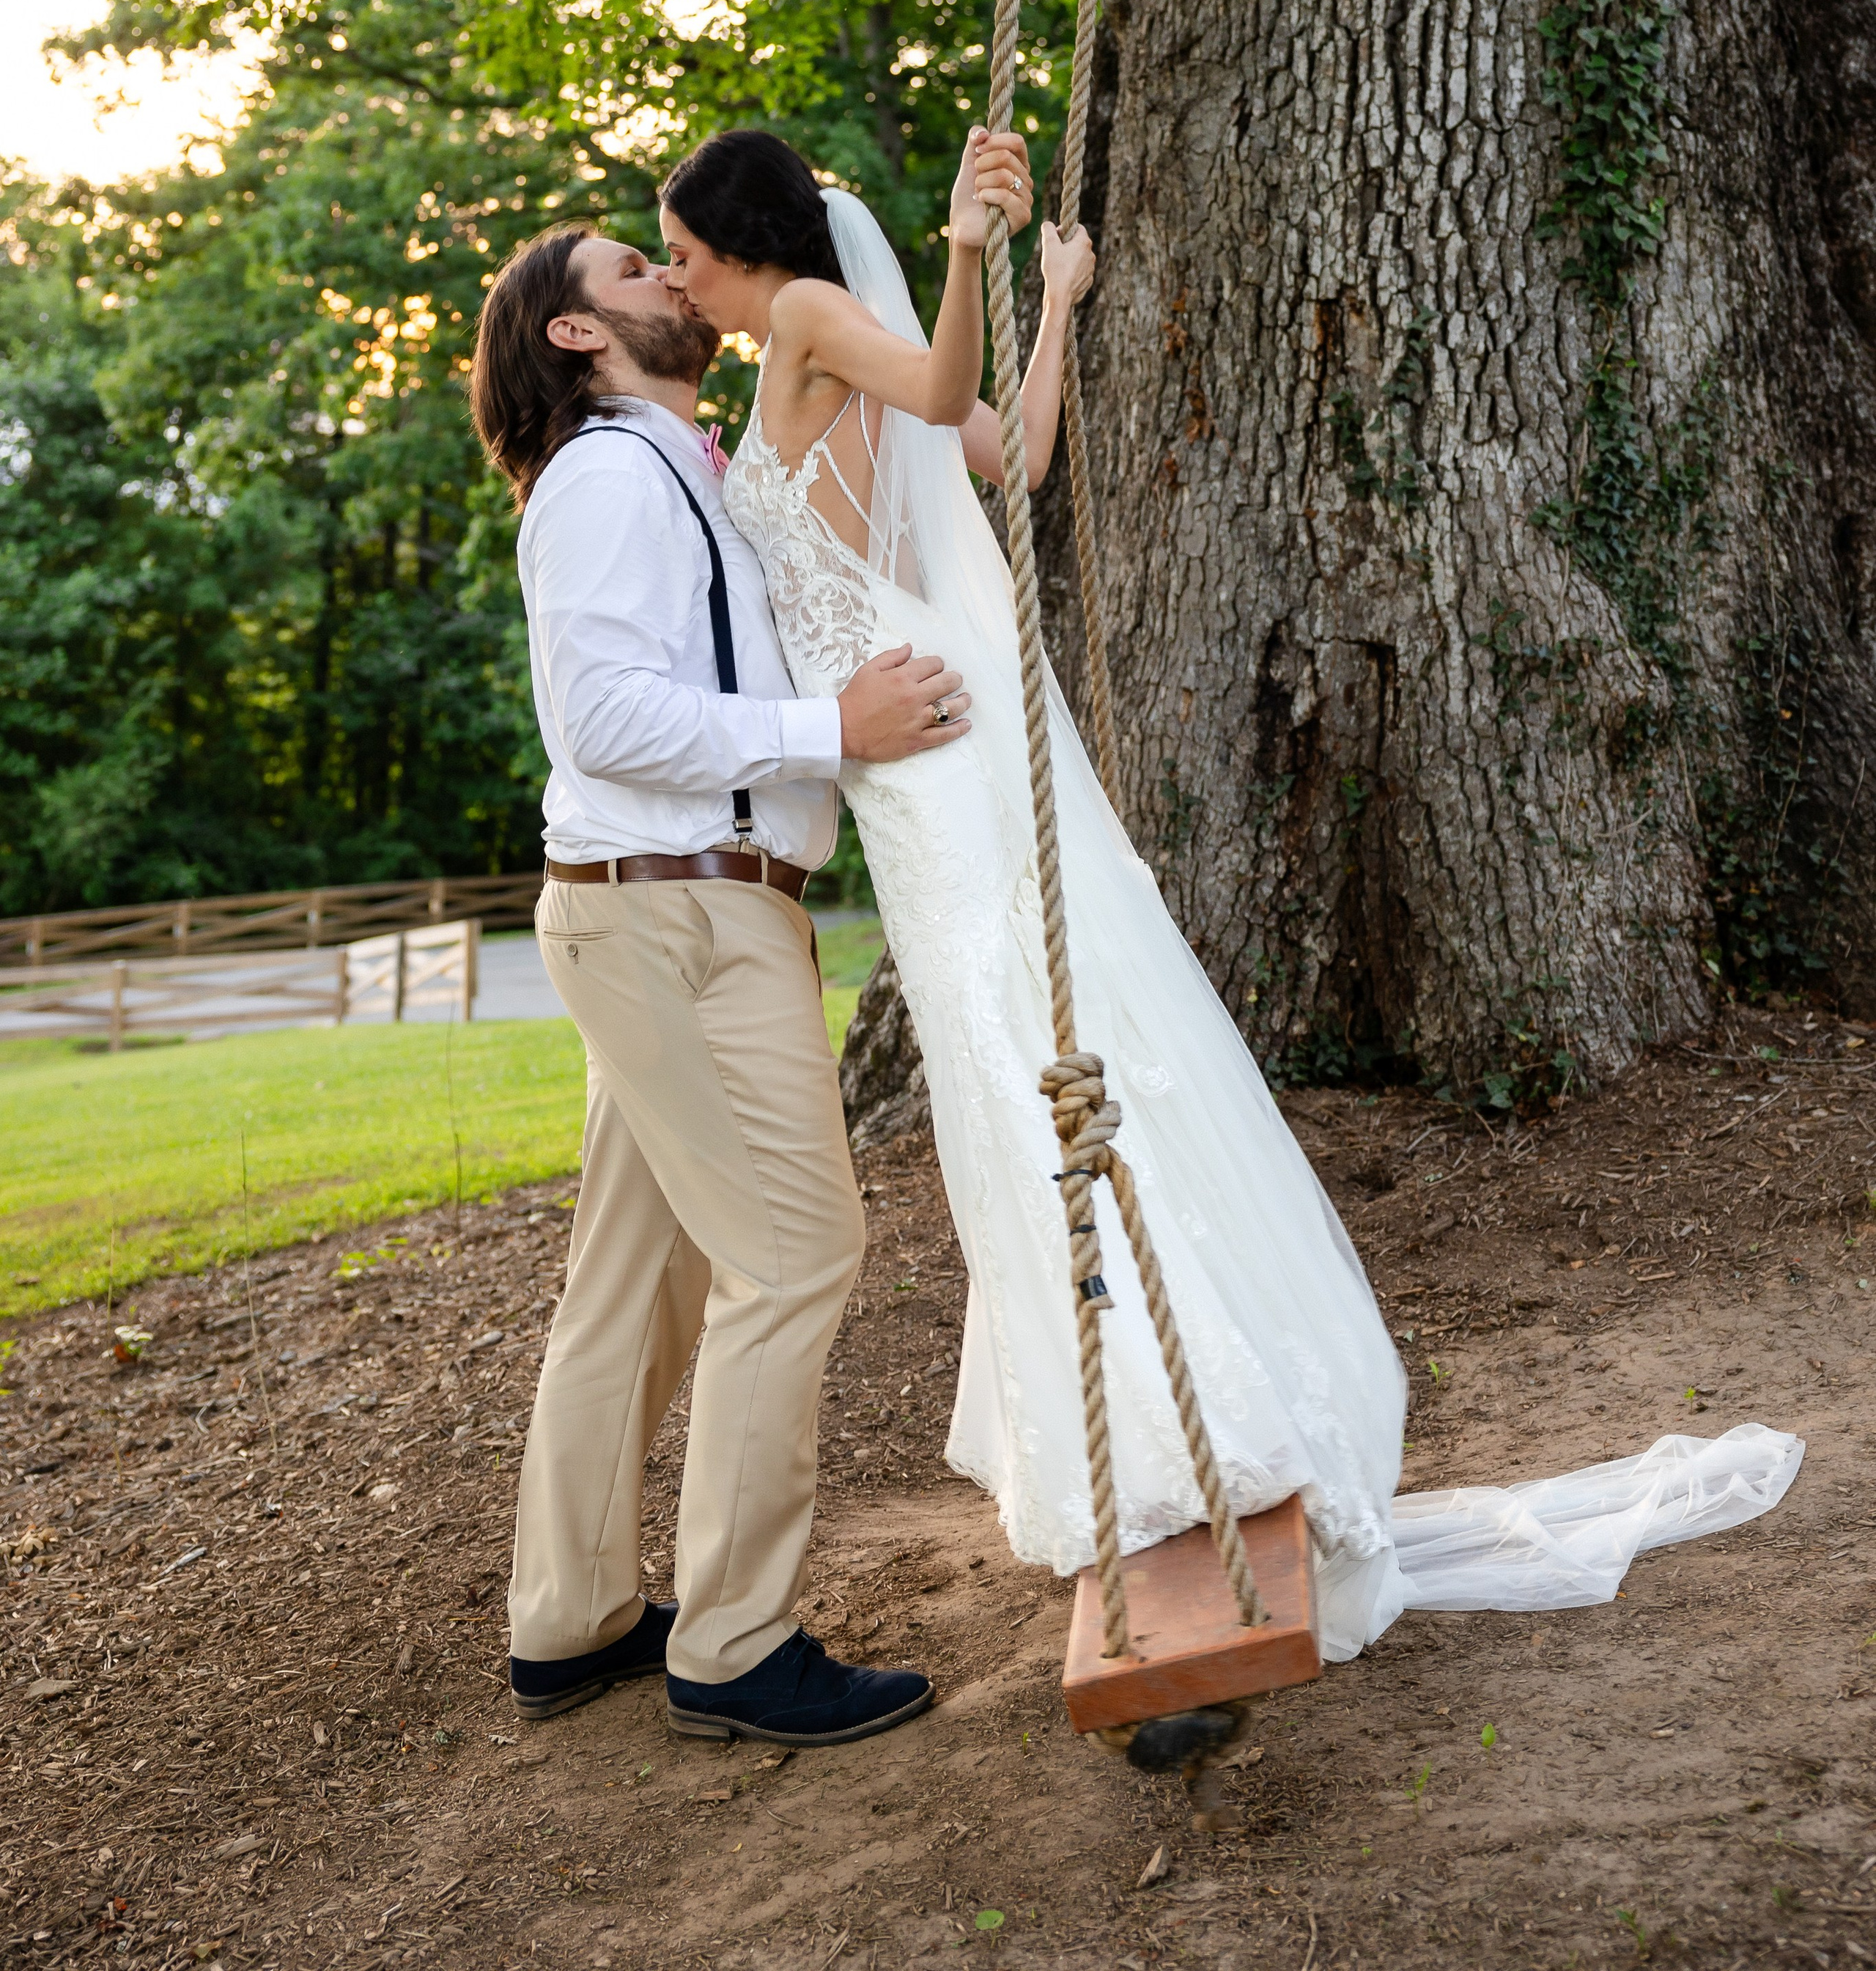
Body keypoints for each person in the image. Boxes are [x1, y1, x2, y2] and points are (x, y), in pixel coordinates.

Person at [660, 125, 1802, 1659]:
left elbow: (940, 399)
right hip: (917, 753)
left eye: (683, 250)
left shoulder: (808, 318)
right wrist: (1060, 306)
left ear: (745, 248)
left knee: (1018, 1065)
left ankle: (1170, 1420)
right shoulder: (811, 346)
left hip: (929, 760)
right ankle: (1145, 1402)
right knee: (1027, 1060)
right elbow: (1018, 454)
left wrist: (976, 252)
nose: (675, 275)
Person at [468, 219, 980, 1747]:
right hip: (676, 916)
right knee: (798, 1252)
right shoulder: (607, 477)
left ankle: (570, 1618)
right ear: (575, 333)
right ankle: (736, 1643)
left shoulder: (678, 465)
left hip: (670, 914)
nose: (669, 278)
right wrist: (834, 731)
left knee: (640, 1282)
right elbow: (606, 720)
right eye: (633, 270)